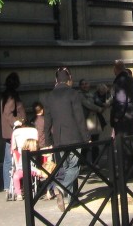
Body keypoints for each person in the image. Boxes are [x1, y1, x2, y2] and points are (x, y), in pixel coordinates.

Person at [44, 66, 88, 212]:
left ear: (56, 80)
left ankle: (69, 198)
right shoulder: (73, 94)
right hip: (74, 136)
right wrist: (86, 137)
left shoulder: (49, 96)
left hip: (59, 138)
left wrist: (48, 141)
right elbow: (79, 117)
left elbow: (47, 121)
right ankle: (61, 189)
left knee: (63, 167)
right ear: (68, 79)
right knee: (74, 168)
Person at [110, 60, 133, 177]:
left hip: (124, 119)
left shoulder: (121, 81)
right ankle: (132, 170)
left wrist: (116, 117)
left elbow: (121, 101)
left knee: (123, 146)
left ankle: (126, 172)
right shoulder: (131, 80)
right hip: (131, 116)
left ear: (116, 69)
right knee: (130, 145)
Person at [0, 73, 25, 198]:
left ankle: (8, 186)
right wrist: (16, 121)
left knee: (8, 159)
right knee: (11, 159)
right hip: (13, 132)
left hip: (9, 132)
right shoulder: (11, 96)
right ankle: (10, 186)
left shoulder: (7, 94)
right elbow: (7, 112)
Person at [78, 80, 107, 163]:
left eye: (86, 83)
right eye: (82, 84)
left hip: (93, 122)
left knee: (95, 143)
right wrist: (99, 109)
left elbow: (98, 101)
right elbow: (87, 104)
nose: (84, 85)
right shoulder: (79, 94)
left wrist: (105, 104)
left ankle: (95, 162)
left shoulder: (92, 94)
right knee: (85, 145)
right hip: (85, 122)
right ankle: (83, 164)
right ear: (80, 86)